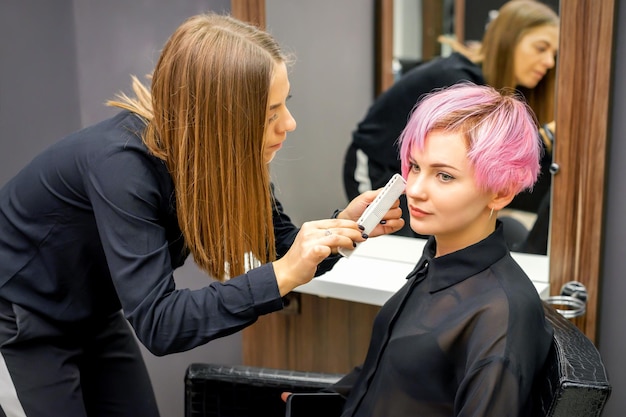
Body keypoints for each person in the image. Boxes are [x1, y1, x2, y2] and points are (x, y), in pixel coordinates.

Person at [0, 13, 403, 417]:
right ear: (220, 120)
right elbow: (160, 323)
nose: (289, 124)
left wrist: (347, 228)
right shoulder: (121, 167)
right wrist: (283, 273)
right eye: (269, 115)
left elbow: (282, 246)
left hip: (95, 314)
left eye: (285, 105)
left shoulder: (226, 159)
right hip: (23, 320)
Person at [320, 84, 553, 416]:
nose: (414, 190)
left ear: (500, 191)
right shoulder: (436, 262)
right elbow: (391, 378)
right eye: (414, 167)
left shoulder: (499, 316)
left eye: (444, 176)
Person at [343, 0, 559, 244]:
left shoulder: (496, 91)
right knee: (399, 247)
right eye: (541, 48)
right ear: (508, 41)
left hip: (423, 171)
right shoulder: (458, 82)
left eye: (553, 54)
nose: (549, 62)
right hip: (377, 164)